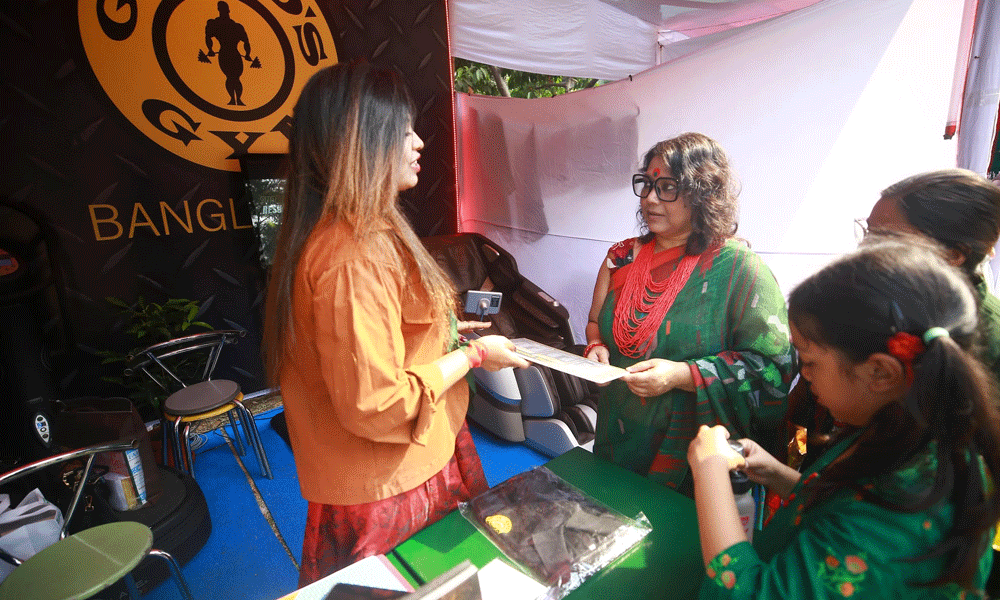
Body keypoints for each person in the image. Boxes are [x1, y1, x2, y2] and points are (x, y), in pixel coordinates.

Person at [263, 60, 529, 585]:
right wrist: (474, 356)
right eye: (403, 131)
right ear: (359, 142)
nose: (419, 143)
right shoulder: (352, 253)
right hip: (392, 483)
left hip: (411, 460)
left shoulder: (364, 230)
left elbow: (388, 341)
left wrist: (444, 333)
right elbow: (376, 403)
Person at [688, 237, 1000, 599]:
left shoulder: (900, 516)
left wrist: (709, 472)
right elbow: (839, 502)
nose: (804, 376)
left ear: (880, 373)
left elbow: (756, 594)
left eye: (810, 362)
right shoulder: (899, 427)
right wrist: (775, 472)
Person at [584, 132, 794, 493]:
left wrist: (682, 375)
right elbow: (594, 323)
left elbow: (774, 369)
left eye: (667, 187)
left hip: (693, 457)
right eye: (647, 184)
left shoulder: (738, 269)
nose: (650, 198)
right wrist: (595, 346)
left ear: (702, 194)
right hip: (617, 437)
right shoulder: (620, 258)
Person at [861, 169, 1000, 384]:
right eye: (869, 232)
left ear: (952, 255)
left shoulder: (990, 343)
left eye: (885, 239)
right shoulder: (872, 301)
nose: (865, 248)